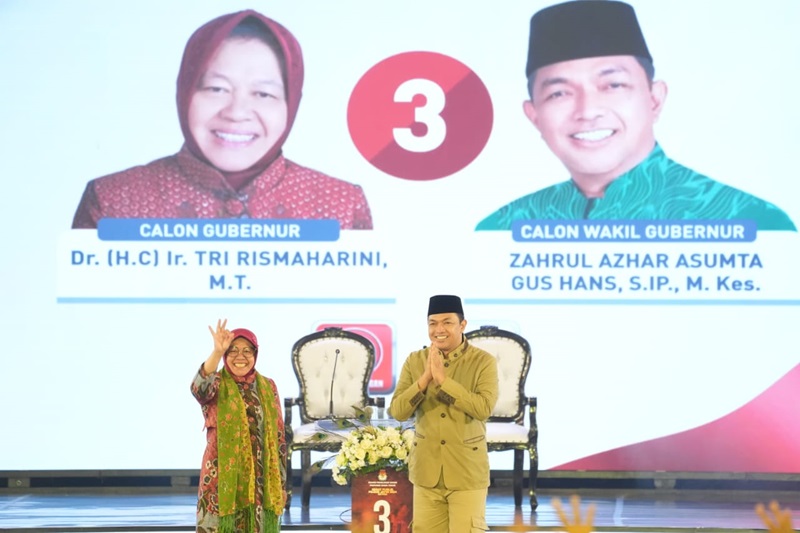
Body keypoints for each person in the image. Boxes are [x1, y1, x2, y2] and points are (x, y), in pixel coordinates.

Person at [476, 0, 795, 231]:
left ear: (655, 99)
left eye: (613, 85)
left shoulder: (752, 224)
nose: (588, 111)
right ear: (534, 116)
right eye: (559, 93)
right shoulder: (501, 232)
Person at [72, 10, 373, 229]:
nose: (236, 112)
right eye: (217, 89)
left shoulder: (341, 208)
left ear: (291, 104)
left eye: (263, 94)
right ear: (185, 92)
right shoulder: (112, 202)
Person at [388, 295, 499, 533]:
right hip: (426, 472)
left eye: (447, 322)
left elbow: (483, 408)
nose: (439, 330)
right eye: (433, 323)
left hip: (466, 471)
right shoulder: (415, 360)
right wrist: (424, 380)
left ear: (462, 325)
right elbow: (398, 411)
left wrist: (443, 381)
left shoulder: (483, 362)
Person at [191, 319, 286, 533]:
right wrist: (217, 352)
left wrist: (281, 485)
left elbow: (279, 437)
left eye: (247, 351)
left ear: (255, 354)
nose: (240, 357)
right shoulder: (216, 383)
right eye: (232, 351)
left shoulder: (268, 386)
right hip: (221, 479)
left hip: (260, 482)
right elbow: (199, 388)